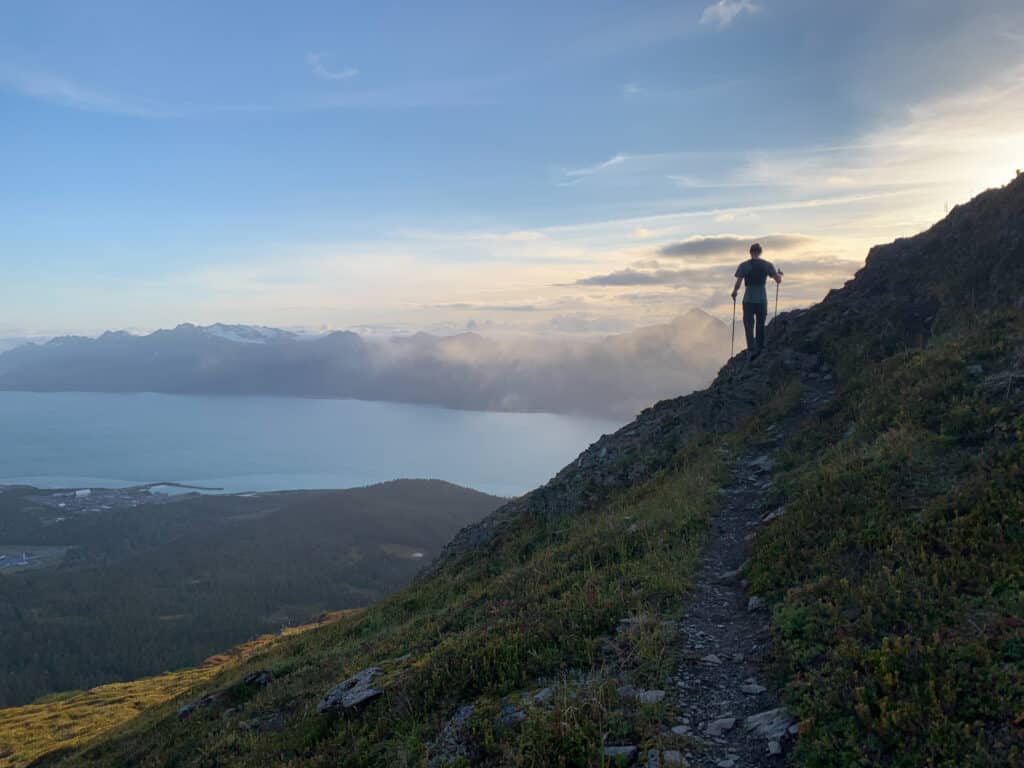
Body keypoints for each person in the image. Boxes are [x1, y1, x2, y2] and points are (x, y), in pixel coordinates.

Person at [731, 242, 781, 355]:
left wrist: (734, 292)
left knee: (748, 325)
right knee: (760, 323)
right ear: (760, 252)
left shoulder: (744, 265)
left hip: (748, 299)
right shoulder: (767, 265)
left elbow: (738, 282)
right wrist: (779, 276)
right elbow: (777, 280)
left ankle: (751, 348)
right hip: (762, 299)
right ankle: (761, 347)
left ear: (750, 252)